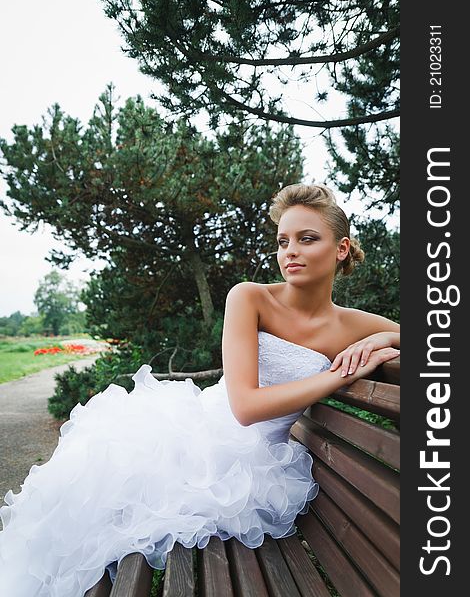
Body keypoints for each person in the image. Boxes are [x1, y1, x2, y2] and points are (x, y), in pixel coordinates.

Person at [0, 183, 400, 596]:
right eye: (283, 242)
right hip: (202, 437)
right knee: (89, 501)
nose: (290, 252)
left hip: (258, 463)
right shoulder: (250, 297)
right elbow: (244, 406)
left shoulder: (353, 324)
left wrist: (386, 340)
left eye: (307, 239)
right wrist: (339, 375)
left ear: (341, 248)